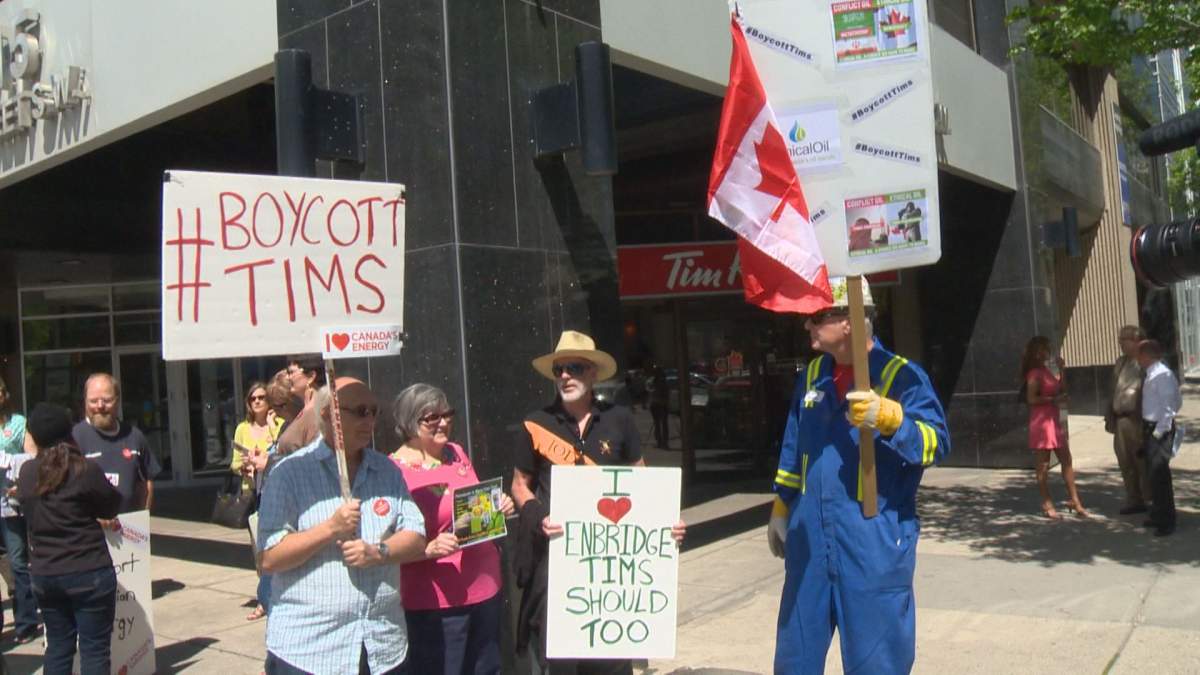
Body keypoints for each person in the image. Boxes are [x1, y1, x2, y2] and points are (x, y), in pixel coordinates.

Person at [768, 278, 949, 674]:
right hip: (809, 541)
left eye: (817, 316)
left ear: (849, 319)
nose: (807, 326)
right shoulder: (813, 373)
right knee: (794, 659)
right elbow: (793, 444)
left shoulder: (902, 376)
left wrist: (892, 418)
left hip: (873, 538)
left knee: (876, 662)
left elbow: (937, 442)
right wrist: (782, 504)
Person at [512, 330, 685, 675]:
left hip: (613, 578)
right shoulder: (536, 424)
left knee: (612, 665)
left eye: (574, 367)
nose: (565, 376)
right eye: (559, 369)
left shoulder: (619, 419)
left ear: (592, 373)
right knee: (559, 662)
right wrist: (537, 514)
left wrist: (666, 522)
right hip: (556, 564)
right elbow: (519, 485)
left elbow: (643, 479)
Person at [257, 377, 427, 674]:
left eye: (374, 411)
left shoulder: (386, 470)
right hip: (312, 651)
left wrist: (378, 552)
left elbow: (416, 537)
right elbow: (270, 557)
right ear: (328, 414)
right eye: (360, 411)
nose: (370, 420)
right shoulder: (289, 474)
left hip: (382, 648)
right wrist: (330, 529)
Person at [389, 383, 515, 675]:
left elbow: (470, 510)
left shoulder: (456, 452)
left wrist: (499, 507)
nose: (443, 422)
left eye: (447, 414)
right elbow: (384, 542)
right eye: (432, 417)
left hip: (484, 587)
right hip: (435, 599)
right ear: (409, 421)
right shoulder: (392, 470)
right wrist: (426, 549)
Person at [17, 403, 121, 675]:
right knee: (95, 650)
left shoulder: (28, 473)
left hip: (46, 573)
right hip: (89, 570)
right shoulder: (84, 469)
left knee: (59, 648)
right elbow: (111, 505)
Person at [71, 373, 162, 522]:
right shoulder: (73, 439)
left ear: (118, 400)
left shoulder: (134, 436)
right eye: (93, 401)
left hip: (128, 534)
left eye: (107, 400)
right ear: (85, 402)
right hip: (88, 534)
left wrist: (141, 521)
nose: (100, 406)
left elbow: (145, 483)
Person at [229, 381, 282, 621]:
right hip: (254, 493)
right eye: (253, 398)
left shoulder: (279, 424)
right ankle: (264, 598)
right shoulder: (242, 428)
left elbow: (282, 452)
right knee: (260, 548)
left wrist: (272, 427)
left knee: (280, 545)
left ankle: (275, 595)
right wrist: (245, 467)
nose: (258, 401)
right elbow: (233, 462)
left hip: (278, 490)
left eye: (262, 397)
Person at [1021, 336, 1088, 519]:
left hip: (1052, 420)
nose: (1046, 352)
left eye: (1047, 349)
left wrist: (1062, 370)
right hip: (1042, 422)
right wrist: (1053, 400)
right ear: (1036, 352)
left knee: (1066, 459)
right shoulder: (1035, 373)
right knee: (1043, 464)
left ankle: (1075, 500)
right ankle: (1047, 502)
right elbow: (1031, 398)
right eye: (1043, 349)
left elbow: (1061, 389)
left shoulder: (1045, 370)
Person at [0, 376, 41, 643]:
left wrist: (9, 463)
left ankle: (26, 623)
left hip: (9, 504)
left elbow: (33, 456)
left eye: (1, 391)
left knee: (17, 562)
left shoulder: (18, 423)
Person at [1137, 339, 1180, 537]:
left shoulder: (1162, 375)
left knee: (1160, 474)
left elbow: (1170, 407)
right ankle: (1158, 512)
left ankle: (1167, 519)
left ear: (1147, 355)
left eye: (1140, 355)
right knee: (1153, 475)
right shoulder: (1151, 374)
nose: (1138, 359)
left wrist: (1157, 433)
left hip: (1159, 430)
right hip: (1150, 428)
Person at [1106, 325, 1148, 514]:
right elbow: (1113, 389)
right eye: (1120, 339)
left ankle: (1151, 499)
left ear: (1137, 341)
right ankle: (1134, 499)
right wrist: (1109, 416)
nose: (1120, 342)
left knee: (1142, 462)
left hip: (1138, 419)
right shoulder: (1121, 362)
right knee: (1125, 461)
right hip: (1121, 419)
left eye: (1124, 339)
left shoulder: (1144, 362)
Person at [275, 355, 325, 455]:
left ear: (311, 376)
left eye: (291, 372)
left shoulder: (320, 411)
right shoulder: (306, 409)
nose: (288, 377)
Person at [649, 365, 669, 449]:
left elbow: (649, 391)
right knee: (663, 424)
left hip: (655, 403)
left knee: (658, 423)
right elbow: (666, 393)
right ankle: (663, 442)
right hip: (661, 404)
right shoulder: (663, 381)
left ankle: (660, 442)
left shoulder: (652, 381)